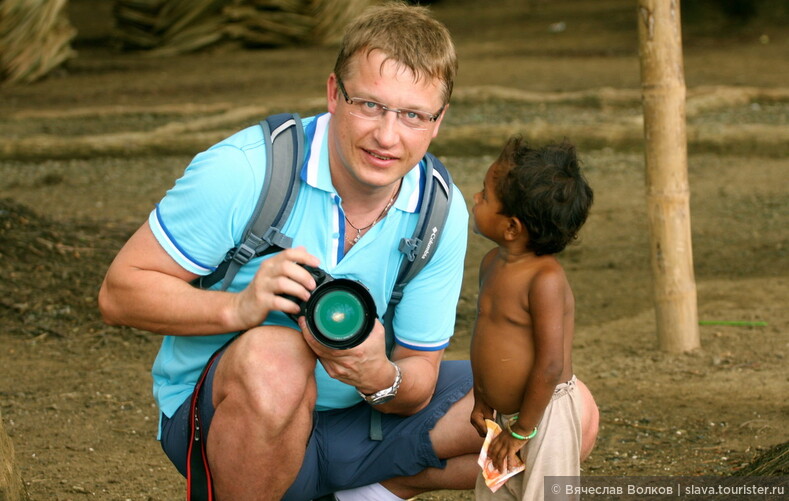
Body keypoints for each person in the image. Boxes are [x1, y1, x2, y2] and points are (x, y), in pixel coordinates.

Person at [99, 2, 485, 500]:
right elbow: (118, 293)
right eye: (369, 104)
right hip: (221, 422)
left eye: (412, 115)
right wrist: (238, 306)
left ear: (438, 121)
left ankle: (358, 493)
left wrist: (378, 375)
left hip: (355, 423)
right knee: (278, 357)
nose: (387, 136)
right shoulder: (247, 170)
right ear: (333, 93)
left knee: (553, 403)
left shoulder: (439, 209)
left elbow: (418, 374)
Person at [469, 137, 597, 500]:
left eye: (484, 196)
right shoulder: (491, 264)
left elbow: (550, 363)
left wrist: (524, 429)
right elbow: (486, 336)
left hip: (547, 415)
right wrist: (483, 398)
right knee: (496, 491)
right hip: (508, 418)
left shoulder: (546, 280)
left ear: (512, 227)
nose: (476, 199)